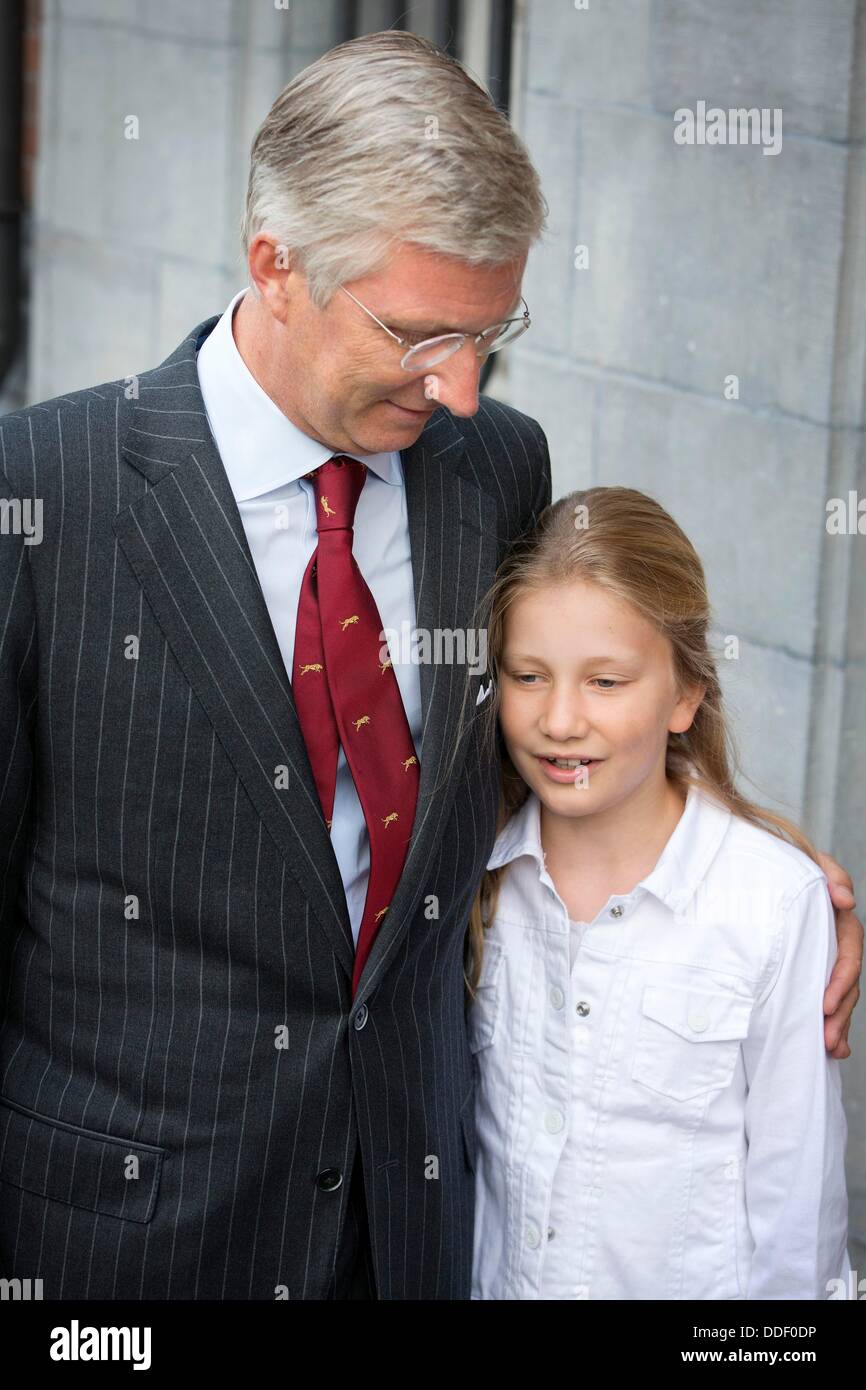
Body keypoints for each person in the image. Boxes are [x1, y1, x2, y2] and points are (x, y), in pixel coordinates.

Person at [0, 31, 859, 1304]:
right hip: (124, 1251)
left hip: (410, 1230)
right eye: (415, 334)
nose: (457, 387)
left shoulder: (497, 465)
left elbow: (536, 748)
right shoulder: (43, 494)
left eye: (490, 330)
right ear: (275, 267)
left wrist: (758, 864)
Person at [466, 486, 853, 1300]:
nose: (560, 720)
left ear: (685, 693)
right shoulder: (473, 876)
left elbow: (796, 1218)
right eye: (528, 675)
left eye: (607, 682)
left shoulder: (772, 905)